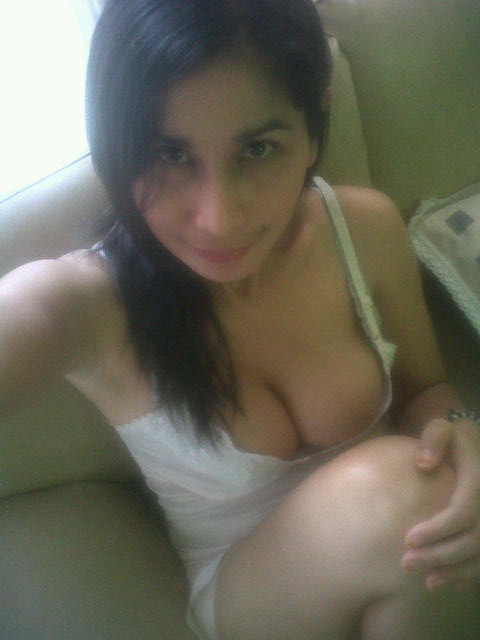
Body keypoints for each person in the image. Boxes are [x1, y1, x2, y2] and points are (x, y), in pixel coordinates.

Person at [1, 0, 479, 638]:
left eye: (258, 148)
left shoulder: (364, 229)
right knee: (410, 503)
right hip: (252, 598)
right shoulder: (87, 303)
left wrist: (461, 437)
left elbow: (426, 389)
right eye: (169, 154)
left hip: (407, 567)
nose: (219, 219)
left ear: (314, 125)